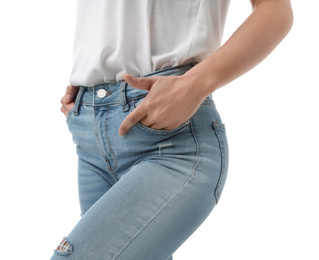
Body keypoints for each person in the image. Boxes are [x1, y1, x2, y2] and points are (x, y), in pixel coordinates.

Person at [53, 0, 293, 259]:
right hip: (89, 138)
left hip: (170, 139)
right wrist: (88, 93)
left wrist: (196, 83)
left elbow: (276, 10)